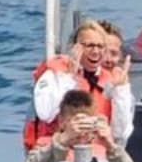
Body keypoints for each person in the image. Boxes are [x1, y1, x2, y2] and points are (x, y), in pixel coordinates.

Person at [28, 20, 134, 151]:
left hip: (96, 157)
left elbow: (121, 133)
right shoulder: (55, 74)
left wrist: (121, 89)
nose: (95, 51)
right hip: (55, 155)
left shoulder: (110, 80)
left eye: (100, 47)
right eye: (89, 46)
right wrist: (69, 76)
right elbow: (46, 113)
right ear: (75, 47)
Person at [23, 89, 136, 162]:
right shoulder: (46, 145)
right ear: (61, 122)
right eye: (76, 121)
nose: (81, 128)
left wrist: (110, 145)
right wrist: (63, 140)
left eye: (86, 121)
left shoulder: (104, 150)